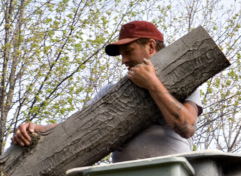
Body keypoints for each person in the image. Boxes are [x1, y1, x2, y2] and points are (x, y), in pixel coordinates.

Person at [11, 20, 202, 162]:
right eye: (122, 55)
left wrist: (153, 84)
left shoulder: (182, 85)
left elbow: (187, 127)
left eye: (129, 51)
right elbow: (77, 126)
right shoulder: (110, 93)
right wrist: (38, 130)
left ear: (151, 46)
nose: (123, 60)